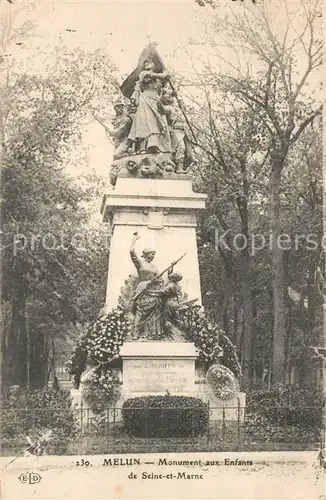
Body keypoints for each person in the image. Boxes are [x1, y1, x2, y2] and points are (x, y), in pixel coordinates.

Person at [128, 60, 171, 154]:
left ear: (153, 65)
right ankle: (142, 148)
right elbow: (160, 75)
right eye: (145, 64)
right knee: (145, 123)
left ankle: (155, 145)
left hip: (156, 101)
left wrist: (171, 90)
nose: (146, 64)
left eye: (148, 63)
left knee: (158, 123)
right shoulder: (144, 73)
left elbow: (164, 91)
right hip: (145, 100)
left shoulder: (158, 81)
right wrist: (166, 73)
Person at [130, 233, 163, 339]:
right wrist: (134, 240)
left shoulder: (153, 266)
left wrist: (157, 281)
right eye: (152, 254)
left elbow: (159, 278)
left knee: (155, 312)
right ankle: (135, 332)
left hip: (153, 290)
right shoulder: (140, 264)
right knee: (141, 311)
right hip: (143, 288)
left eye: (154, 254)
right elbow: (132, 252)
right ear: (146, 254)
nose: (153, 256)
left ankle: (152, 332)